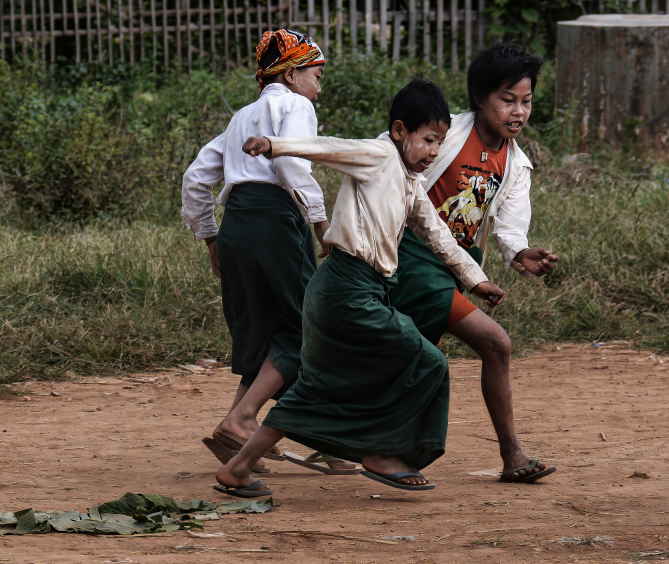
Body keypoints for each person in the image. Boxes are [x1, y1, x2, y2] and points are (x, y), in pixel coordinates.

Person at [212, 77, 505, 497]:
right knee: (426, 361)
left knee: (322, 387)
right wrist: (275, 145)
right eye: (427, 141)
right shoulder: (379, 154)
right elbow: (328, 147)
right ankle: (382, 453)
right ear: (400, 130)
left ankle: (237, 468)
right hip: (345, 290)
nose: (434, 153)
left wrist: (475, 280)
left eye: (440, 143)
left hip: (355, 291)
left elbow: (438, 234)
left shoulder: (408, 182)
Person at [181, 29, 350, 475]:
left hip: (238, 224)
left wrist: (212, 238)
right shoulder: (296, 105)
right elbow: (292, 163)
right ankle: (243, 420)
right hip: (276, 221)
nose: (320, 84)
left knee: (266, 332)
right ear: (292, 74)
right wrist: (320, 224)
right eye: (316, 73)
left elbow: (196, 178)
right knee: (305, 328)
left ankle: (240, 432)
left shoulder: (242, 116)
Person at [388, 43, 559, 484]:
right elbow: (389, 162)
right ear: (480, 98)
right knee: (494, 343)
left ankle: (254, 424)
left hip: (453, 268)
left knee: (406, 360)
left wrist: (521, 253)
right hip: (412, 259)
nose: (518, 111)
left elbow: (509, 227)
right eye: (507, 100)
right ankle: (511, 454)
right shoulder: (445, 133)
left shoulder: (516, 163)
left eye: (526, 101)